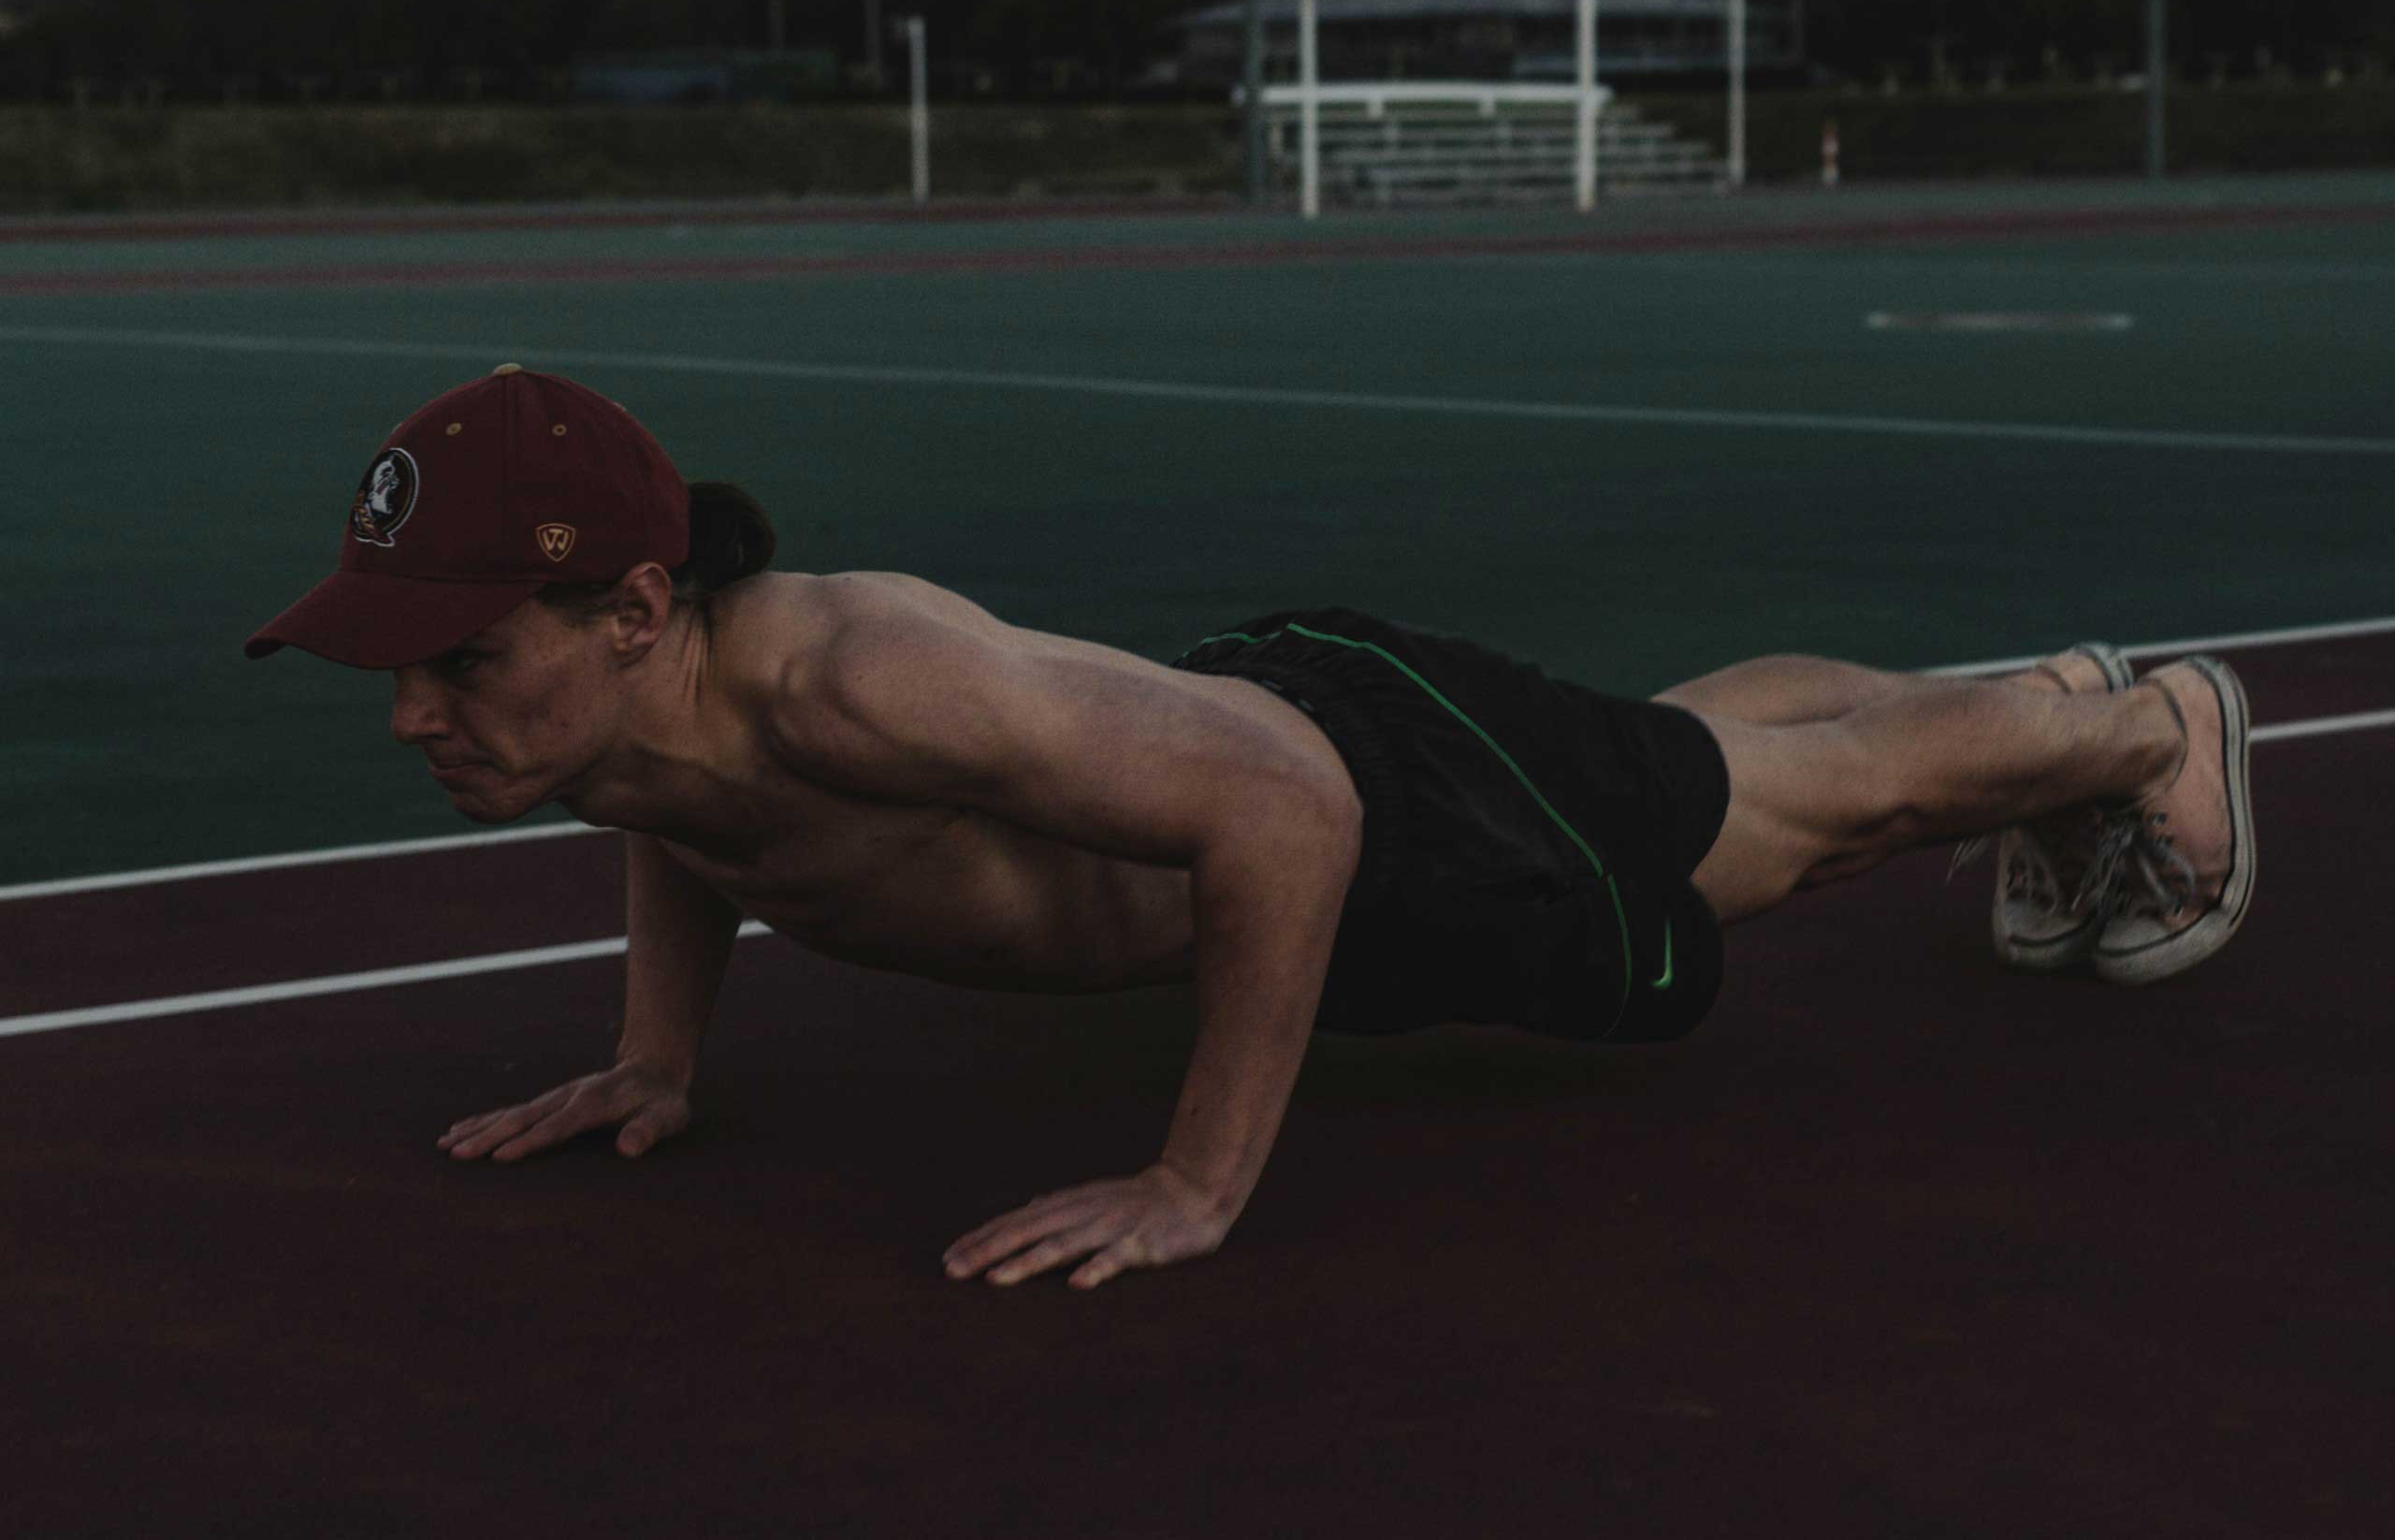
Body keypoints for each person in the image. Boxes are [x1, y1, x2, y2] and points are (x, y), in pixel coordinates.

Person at [248, 367, 2257, 1292]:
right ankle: (2042, 701)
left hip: (1363, 786)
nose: (415, 710)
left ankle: (2142, 729)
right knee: (1666, 762)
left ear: (626, 607)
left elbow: (1284, 805)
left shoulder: (851, 673)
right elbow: (673, 814)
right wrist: (655, 1054)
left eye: (455, 657)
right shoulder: (611, 719)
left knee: (1800, 832)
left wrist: (1194, 1176)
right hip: (1270, 743)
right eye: (396, 663)